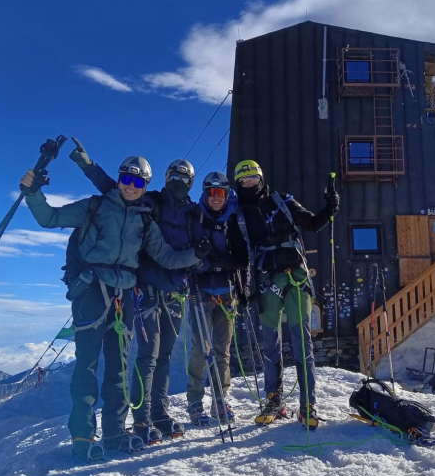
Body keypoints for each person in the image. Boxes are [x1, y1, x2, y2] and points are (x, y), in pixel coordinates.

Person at [19, 157, 204, 461]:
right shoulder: (94, 206)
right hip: (92, 290)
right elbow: (49, 218)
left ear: (145, 186)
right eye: (127, 180)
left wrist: (196, 254)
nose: (131, 187)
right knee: (87, 364)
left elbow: (168, 258)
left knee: (118, 367)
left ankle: (116, 433)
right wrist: (33, 193)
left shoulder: (145, 220)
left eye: (139, 182)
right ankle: (83, 434)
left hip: (124, 297)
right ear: (119, 180)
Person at [69, 143, 202, 444]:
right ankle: (141, 420)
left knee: (164, 355)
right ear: (165, 178)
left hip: (174, 290)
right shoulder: (150, 202)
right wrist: (88, 165)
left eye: (184, 178)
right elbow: (114, 188)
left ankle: (160, 414)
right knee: (148, 356)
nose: (178, 182)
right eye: (173, 176)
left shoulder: (194, 214)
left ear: (190, 183)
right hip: (143, 287)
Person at [226, 160, 338, 430]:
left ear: (261, 179)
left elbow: (312, 223)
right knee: (271, 344)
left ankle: (308, 404)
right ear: (239, 184)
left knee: (302, 342)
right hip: (265, 280)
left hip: (295, 275)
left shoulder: (282, 201)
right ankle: (274, 399)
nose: (249, 183)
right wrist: (241, 290)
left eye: (253, 178)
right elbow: (240, 259)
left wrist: (331, 206)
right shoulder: (238, 217)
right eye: (244, 180)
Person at [185, 172, 250, 426]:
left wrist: (218, 260)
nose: (215, 198)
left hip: (225, 291)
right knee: (201, 349)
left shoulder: (232, 220)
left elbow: (242, 258)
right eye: (211, 193)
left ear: (226, 195)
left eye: (220, 193)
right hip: (200, 291)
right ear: (205, 193)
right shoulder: (194, 217)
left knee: (222, 350)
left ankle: (220, 399)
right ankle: (194, 400)